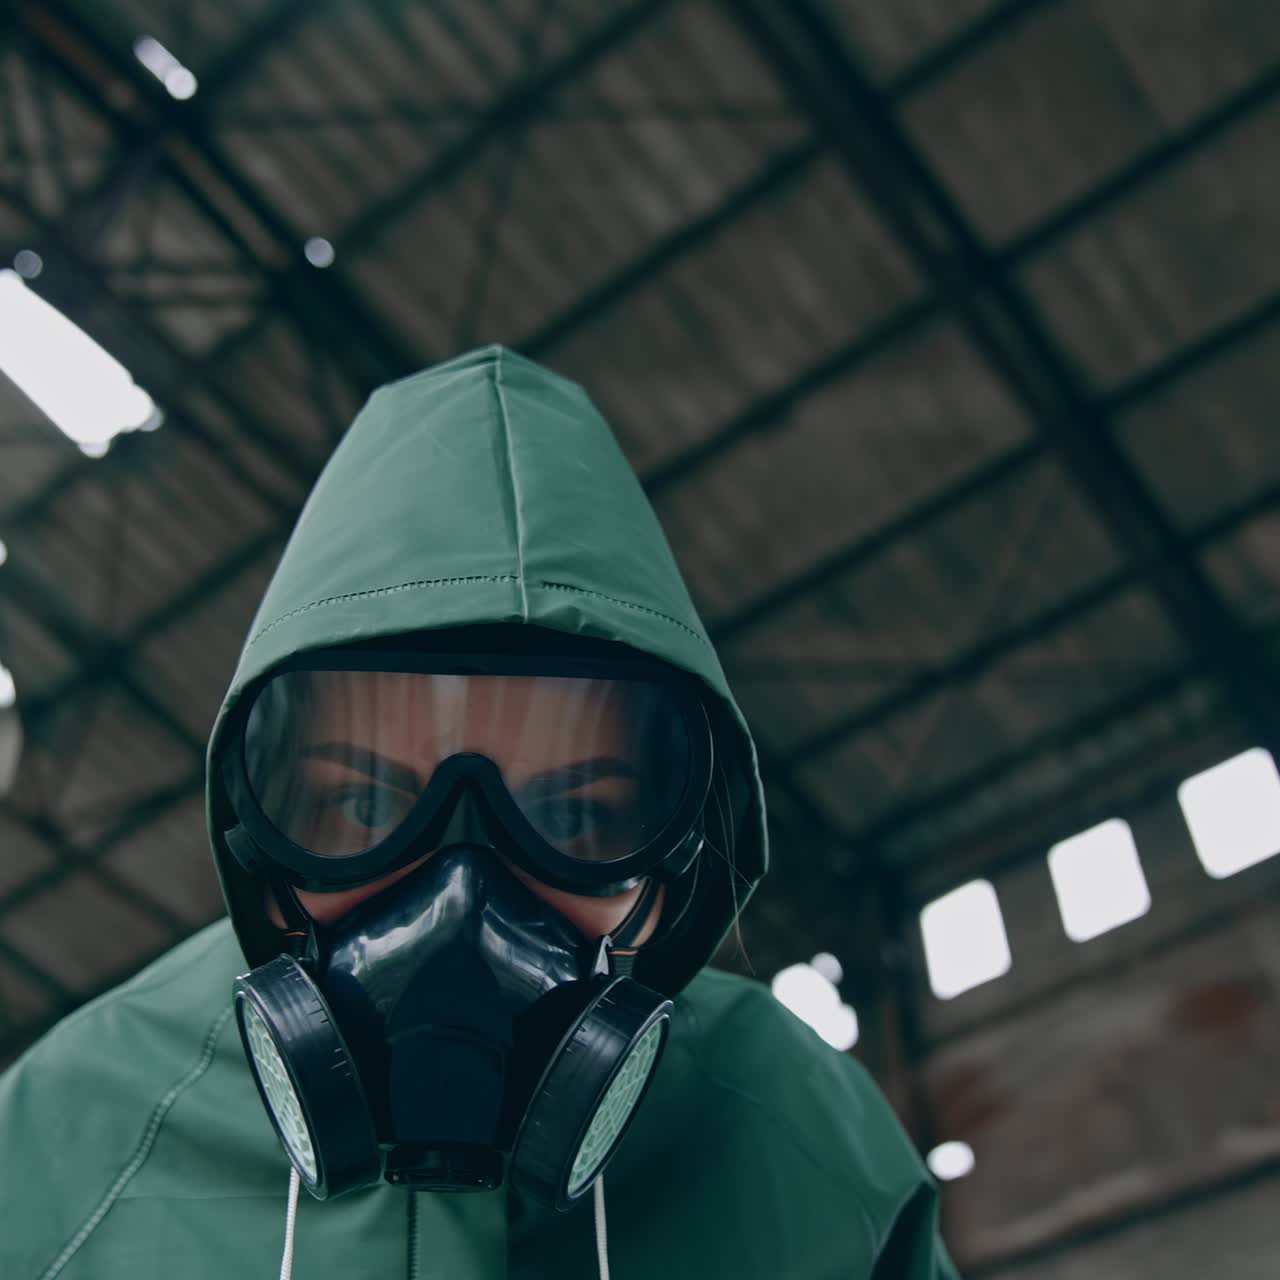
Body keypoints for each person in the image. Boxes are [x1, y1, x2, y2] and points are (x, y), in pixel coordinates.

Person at [0, 347, 958, 1279]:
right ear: (258, 844)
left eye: (578, 815)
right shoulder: (62, 1141)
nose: (464, 888)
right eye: (360, 800)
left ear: (683, 869)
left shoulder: (809, 1148)